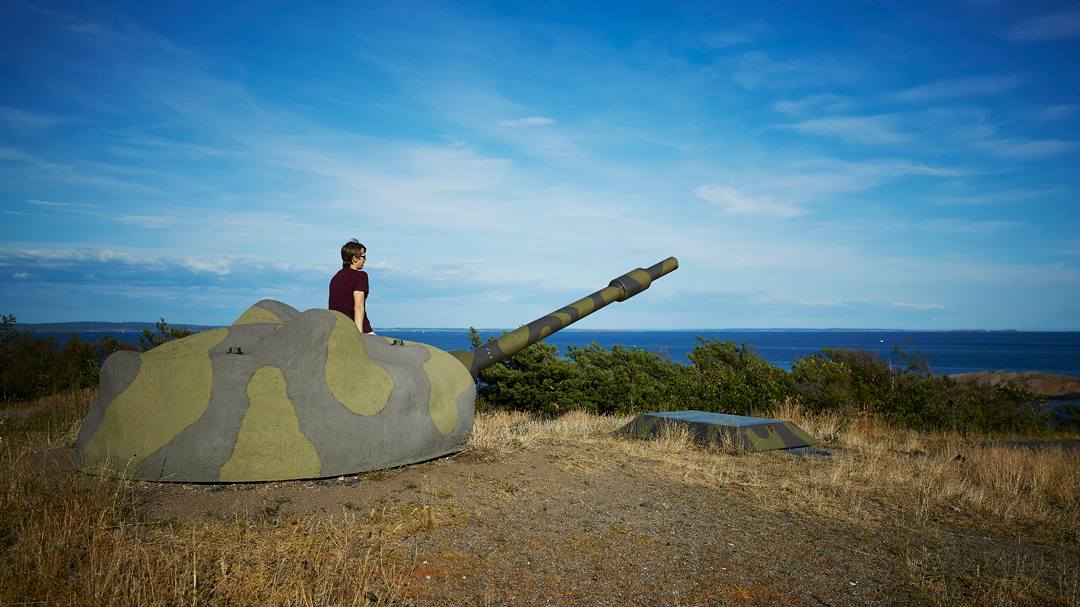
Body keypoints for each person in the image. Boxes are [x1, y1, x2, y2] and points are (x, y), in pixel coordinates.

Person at [328, 239, 374, 334]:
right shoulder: (360, 276)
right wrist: (359, 335)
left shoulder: (335, 278)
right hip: (359, 330)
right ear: (355, 258)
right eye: (363, 256)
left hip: (339, 330)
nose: (365, 259)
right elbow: (358, 307)